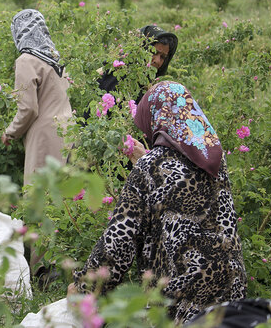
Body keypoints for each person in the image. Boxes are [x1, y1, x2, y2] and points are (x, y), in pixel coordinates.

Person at [72, 81, 247, 325]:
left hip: (182, 300)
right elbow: (181, 183)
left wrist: (84, 287)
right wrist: (146, 162)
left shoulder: (150, 168)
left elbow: (118, 242)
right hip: (232, 291)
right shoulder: (214, 158)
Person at [1, 9, 74, 186]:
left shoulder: (26, 60)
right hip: (69, 130)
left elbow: (28, 108)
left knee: (41, 198)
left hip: (45, 136)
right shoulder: (55, 58)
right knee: (65, 199)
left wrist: (10, 133)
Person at [83, 25, 178, 120]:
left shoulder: (149, 84)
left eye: (163, 57)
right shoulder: (116, 74)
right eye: (153, 52)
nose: (157, 60)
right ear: (140, 49)